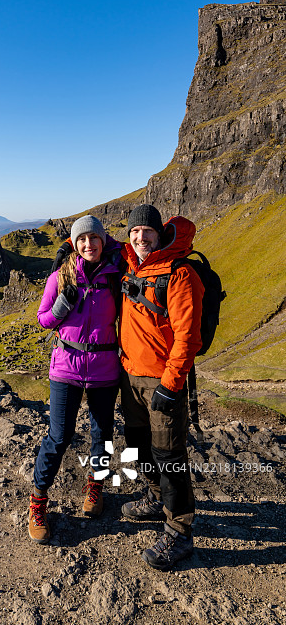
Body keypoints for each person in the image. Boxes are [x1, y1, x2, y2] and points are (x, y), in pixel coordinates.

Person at [119, 204, 204, 570]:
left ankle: (179, 532)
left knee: (169, 456)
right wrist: (70, 243)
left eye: (147, 231)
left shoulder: (180, 273)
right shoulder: (131, 264)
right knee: (139, 446)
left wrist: (170, 386)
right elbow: (93, 243)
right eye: (135, 232)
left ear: (159, 233)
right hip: (130, 378)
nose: (141, 237)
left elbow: (188, 338)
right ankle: (156, 499)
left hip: (161, 381)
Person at [29, 215, 122, 544]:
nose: (88, 244)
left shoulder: (116, 275)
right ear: (74, 243)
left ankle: (96, 487)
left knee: (102, 433)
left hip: (105, 368)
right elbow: (43, 320)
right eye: (82, 239)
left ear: (103, 241)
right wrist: (61, 307)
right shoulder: (60, 276)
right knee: (59, 437)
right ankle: (37, 503)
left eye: (94, 238)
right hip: (66, 367)